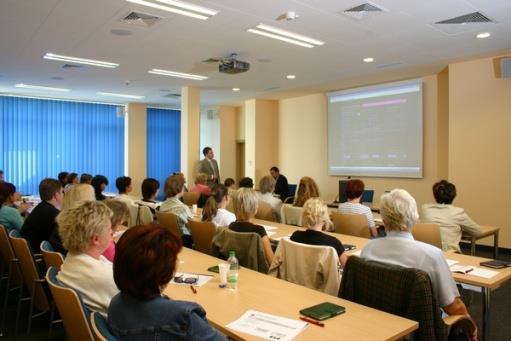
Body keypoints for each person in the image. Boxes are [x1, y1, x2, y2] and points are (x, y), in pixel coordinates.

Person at [361, 189, 477, 341]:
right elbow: (453, 306)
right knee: (465, 330)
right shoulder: (431, 255)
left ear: (383, 219)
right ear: (415, 218)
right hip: (420, 332)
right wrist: (469, 321)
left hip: (379, 327)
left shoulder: (368, 249)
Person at [108, 224, 225, 340]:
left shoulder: (115, 304)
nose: (177, 262)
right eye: (174, 258)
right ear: (163, 270)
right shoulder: (183, 317)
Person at [57, 201, 118, 316]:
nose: (112, 232)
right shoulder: (106, 276)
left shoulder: (72, 257)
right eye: (109, 228)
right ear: (95, 239)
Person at [422, 180, 482, 253]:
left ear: (435, 195)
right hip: (449, 254)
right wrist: (459, 229)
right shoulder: (458, 212)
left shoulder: (425, 209)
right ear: (454, 195)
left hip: (427, 252)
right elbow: (478, 232)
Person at [290, 198, 347, 268]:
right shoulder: (334, 243)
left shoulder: (295, 236)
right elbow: (347, 269)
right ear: (325, 218)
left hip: (297, 277)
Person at [229, 188, 274, 265]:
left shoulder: (231, 226)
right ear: (255, 209)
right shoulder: (259, 231)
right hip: (258, 273)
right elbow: (272, 262)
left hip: (237, 268)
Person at [21, 178, 64, 252]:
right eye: (62, 192)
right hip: (39, 255)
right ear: (56, 195)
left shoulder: (40, 207)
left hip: (28, 252)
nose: (63, 195)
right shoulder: (54, 214)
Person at [159, 174, 194, 248]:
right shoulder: (182, 208)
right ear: (180, 188)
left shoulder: (162, 206)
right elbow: (192, 228)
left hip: (168, 240)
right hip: (184, 242)